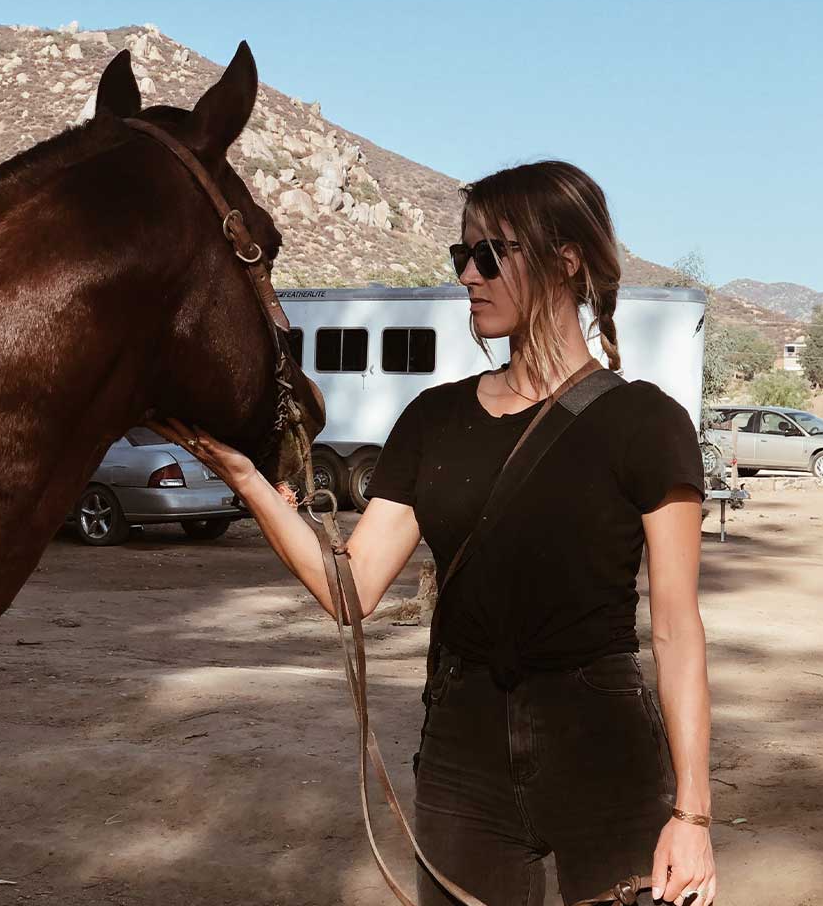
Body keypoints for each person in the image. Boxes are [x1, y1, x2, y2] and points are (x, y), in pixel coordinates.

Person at [152, 160, 715, 906]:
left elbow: (677, 631)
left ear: (566, 261)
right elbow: (348, 592)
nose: (468, 276)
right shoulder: (432, 419)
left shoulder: (645, 423)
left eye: (490, 254)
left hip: (599, 743)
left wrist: (693, 814)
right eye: (462, 256)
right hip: (462, 749)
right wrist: (248, 481)